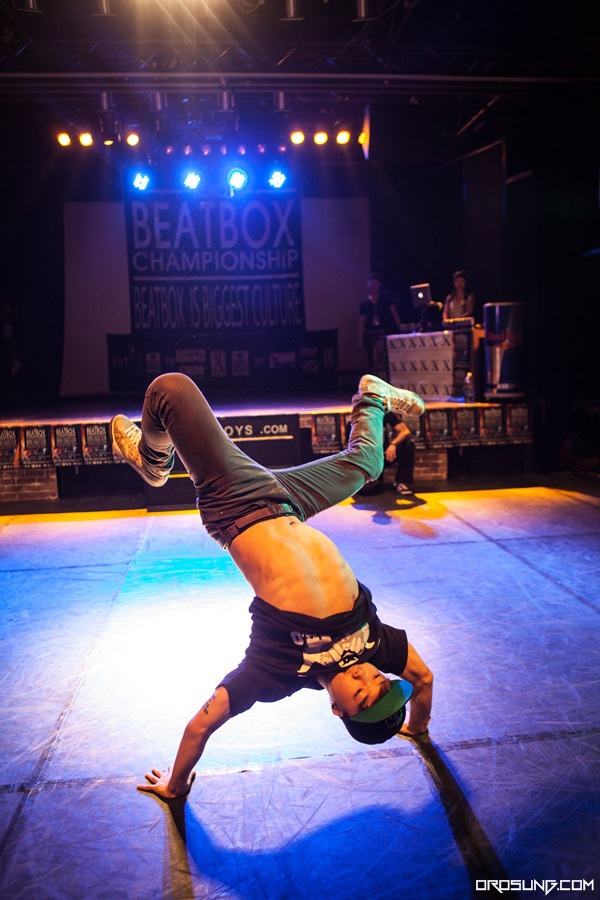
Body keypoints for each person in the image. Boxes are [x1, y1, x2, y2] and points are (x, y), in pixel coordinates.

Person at [110, 373, 432, 801]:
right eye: (381, 682)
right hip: (290, 500)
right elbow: (423, 678)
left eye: (361, 695)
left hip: (236, 502)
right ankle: (372, 396)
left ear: (337, 710)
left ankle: (153, 459)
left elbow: (201, 726)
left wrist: (175, 785)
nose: (366, 677)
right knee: (368, 463)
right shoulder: (377, 646)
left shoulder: (279, 670)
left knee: (169, 391)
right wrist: (417, 728)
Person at [358, 273, 403, 371]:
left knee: (388, 357)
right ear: (368, 284)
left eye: (376, 283)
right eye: (371, 283)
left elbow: (394, 313)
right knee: (371, 360)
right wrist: (360, 339)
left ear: (379, 285)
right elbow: (362, 321)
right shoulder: (364, 303)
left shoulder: (386, 298)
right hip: (370, 334)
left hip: (386, 332)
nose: (373, 286)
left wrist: (400, 327)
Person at [384, 411, 416, 497]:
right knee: (367, 490)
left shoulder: (384, 412)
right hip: (367, 458)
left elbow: (405, 431)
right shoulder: (358, 415)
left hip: (383, 455)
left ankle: (401, 482)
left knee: (408, 443)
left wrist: (393, 444)